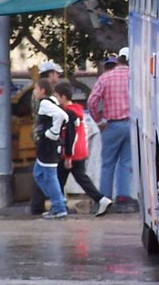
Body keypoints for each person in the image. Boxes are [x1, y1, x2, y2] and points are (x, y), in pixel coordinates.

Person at [86, 46, 136, 211]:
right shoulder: (134, 77)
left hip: (111, 125)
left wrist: (99, 120)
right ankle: (123, 198)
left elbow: (92, 101)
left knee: (108, 164)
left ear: (119, 59)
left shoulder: (105, 78)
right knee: (126, 163)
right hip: (130, 124)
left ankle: (104, 199)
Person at [54, 81, 113, 216]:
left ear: (63, 97)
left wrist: (68, 155)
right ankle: (101, 199)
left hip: (71, 151)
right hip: (80, 149)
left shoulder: (67, 113)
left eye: (56, 96)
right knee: (79, 178)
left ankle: (59, 205)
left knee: (59, 179)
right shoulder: (76, 110)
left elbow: (69, 135)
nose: (56, 99)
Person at [29, 60, 64, 215]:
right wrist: (53, 133)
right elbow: (58, 116)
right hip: (44, 139)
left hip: (45, 138)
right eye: (56, 73)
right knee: (45, 174)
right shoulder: (45, 98)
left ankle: (57, 204)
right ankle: (56, 204)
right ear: (50, 74)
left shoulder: (47, 98)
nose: (58, 76)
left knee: (43, 173)